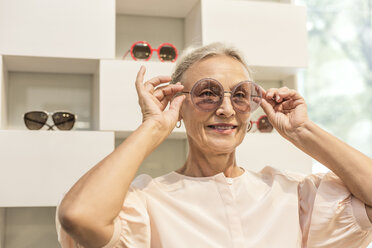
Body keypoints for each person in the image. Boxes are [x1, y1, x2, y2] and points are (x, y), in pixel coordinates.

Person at [56, 42, 372, 248]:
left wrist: (301, 130)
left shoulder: (294, 195)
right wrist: (152, 126)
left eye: (239, 94)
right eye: (207, 93)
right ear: (179, 107)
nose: (226, 108)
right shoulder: (147, 204)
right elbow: (79, 217)